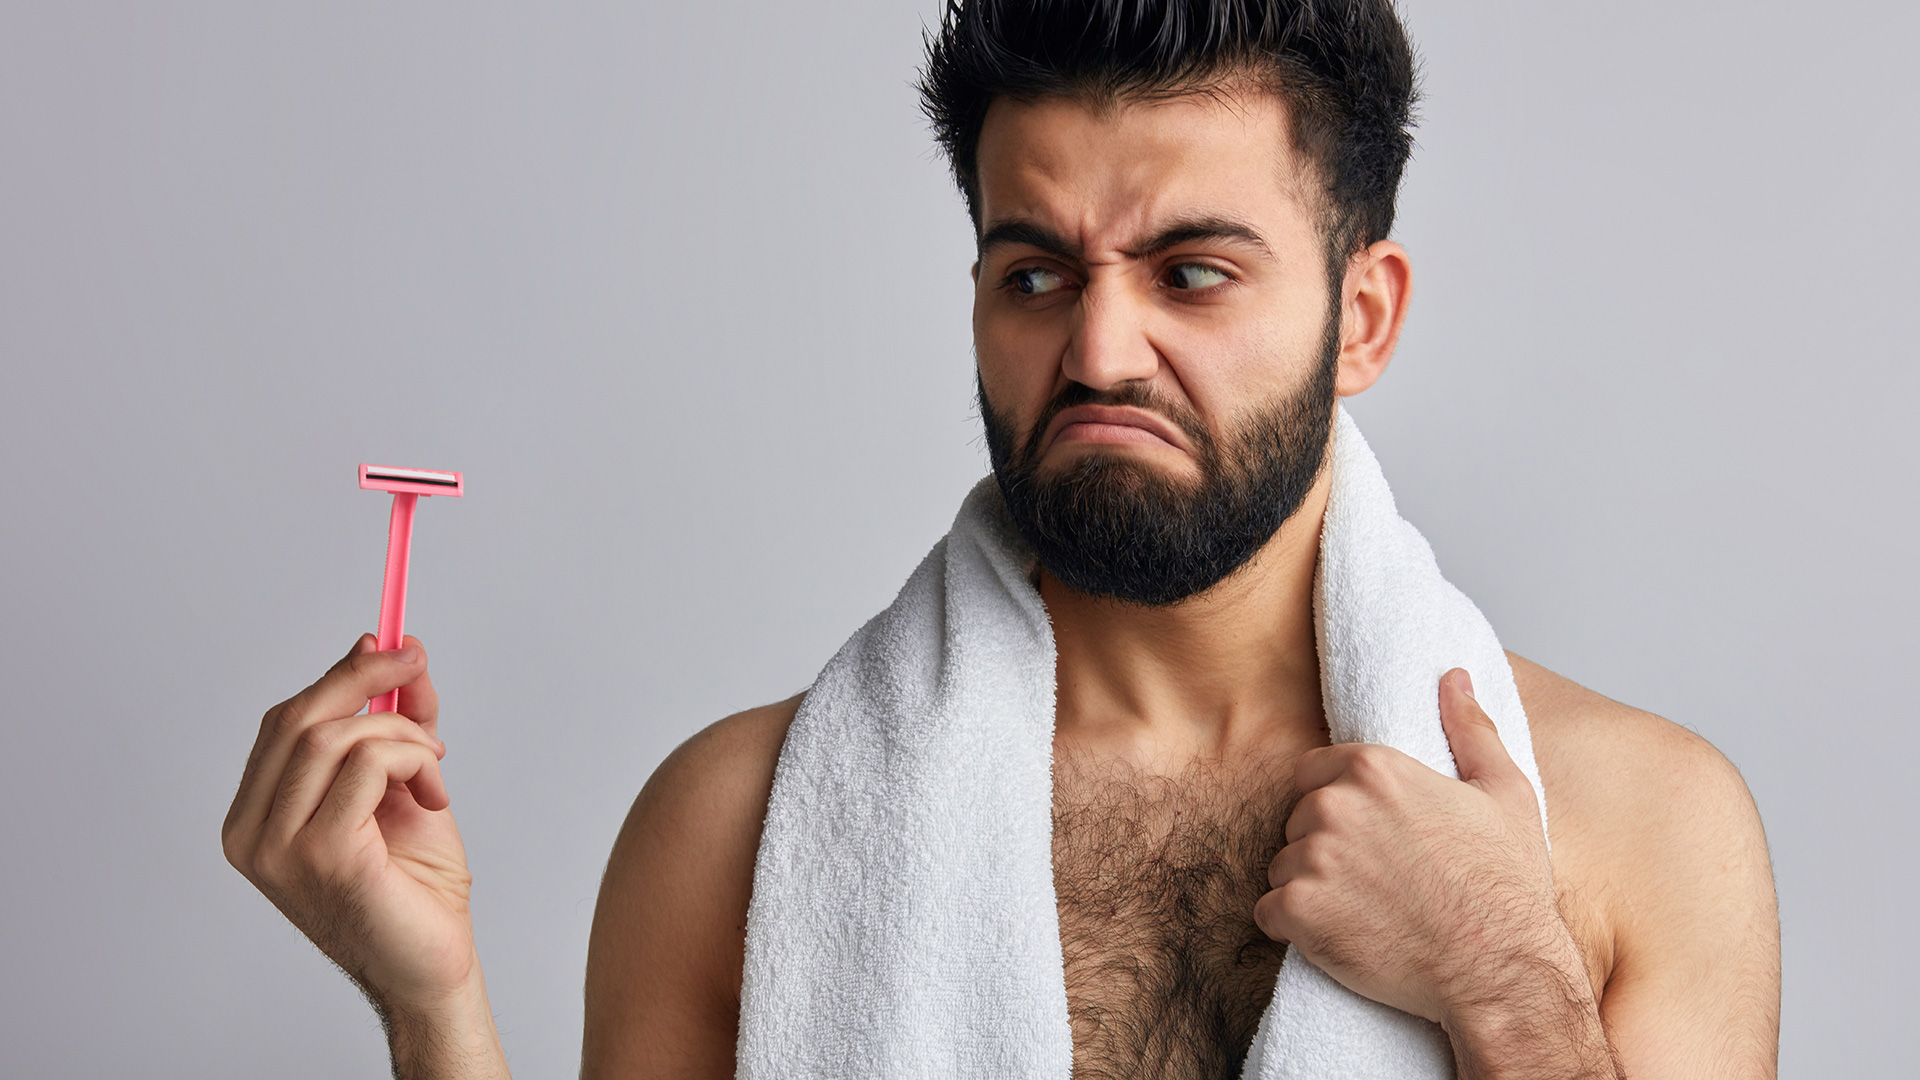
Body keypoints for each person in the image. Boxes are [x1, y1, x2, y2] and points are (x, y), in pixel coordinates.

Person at [221, 1, 1781, 1077]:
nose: (1099, 352)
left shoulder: (1641, 826)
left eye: (1193, 274)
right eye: (1035, 273)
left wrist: (1506, 980)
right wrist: (430, 1005)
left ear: (1359, 316)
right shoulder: (730, 832)